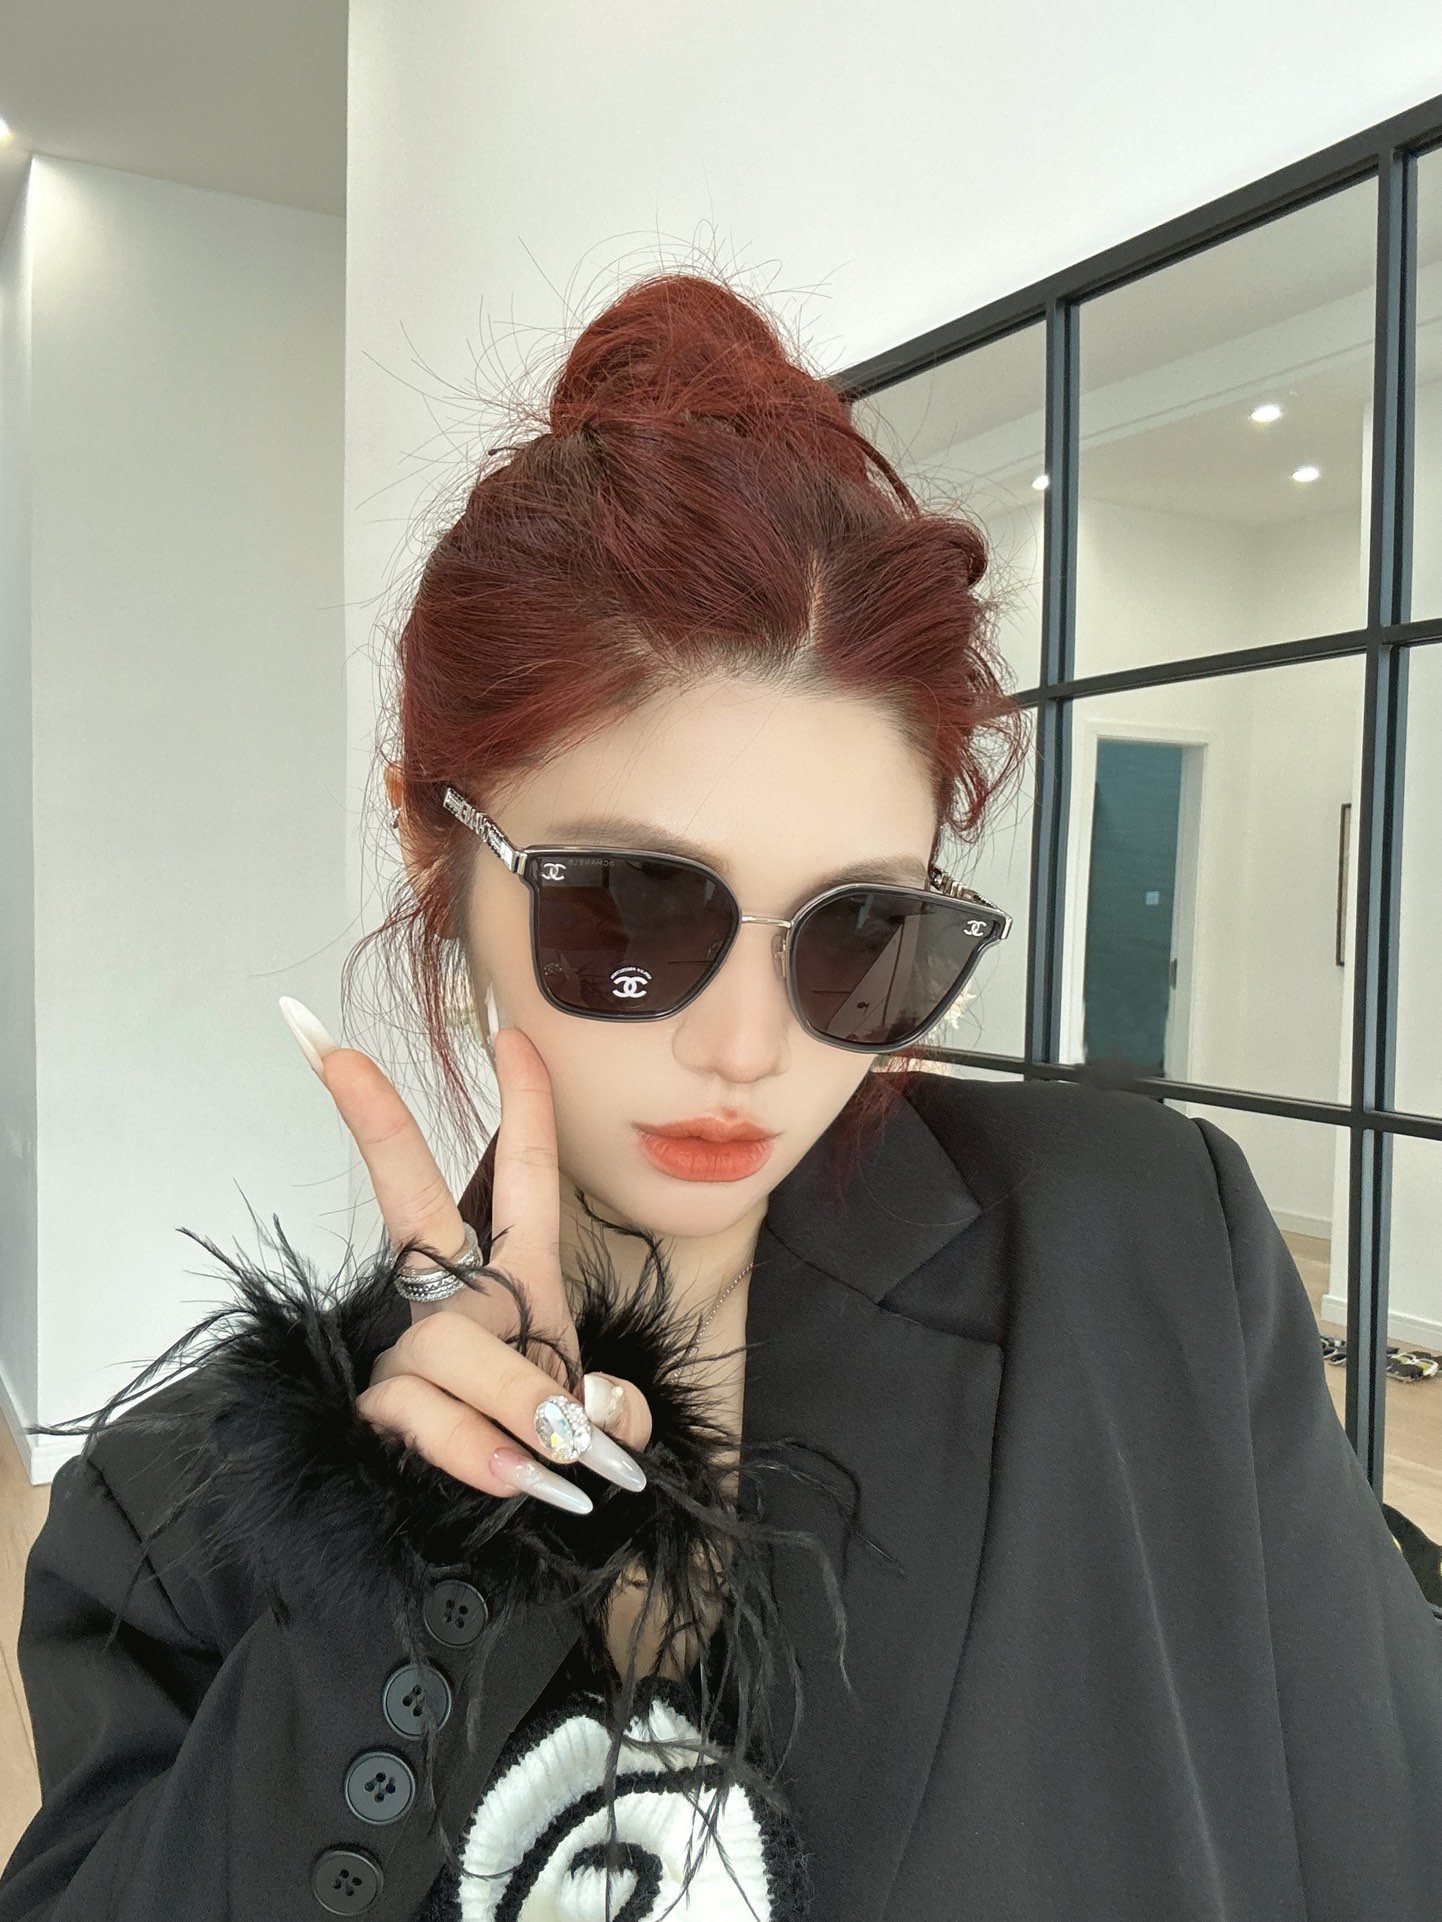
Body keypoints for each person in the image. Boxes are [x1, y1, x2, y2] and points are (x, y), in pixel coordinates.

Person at [3, 270, 1439, 1922]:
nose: (751, 1046)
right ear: (432, 846)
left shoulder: (1136, 1257)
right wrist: (412, 1573)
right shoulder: (173, 1519)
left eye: (861, 932)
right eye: (633, 910)